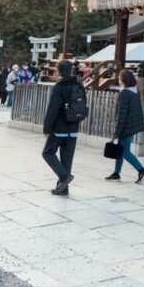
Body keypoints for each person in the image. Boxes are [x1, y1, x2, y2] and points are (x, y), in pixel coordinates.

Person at [42, 60, 87, 195]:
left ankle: (64, 177)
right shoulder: (79, 85)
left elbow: (53, 109)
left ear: (60, 71)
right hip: (74, 128)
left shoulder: (59, 86)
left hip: (60, 128)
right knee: (67, 159)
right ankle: (63, 188)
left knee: (47, 153)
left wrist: (47, 128)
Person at [105, 70, 144, 183]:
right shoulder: (135, 91)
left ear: (123, 81)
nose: (118, 81)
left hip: (126, 126)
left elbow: (122, 114)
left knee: (125, 152)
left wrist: (117, 131)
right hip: (132, 124)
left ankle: (141, 170)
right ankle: (116, 173)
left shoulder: (124, 93)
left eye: (119, 79)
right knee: (121, 149)